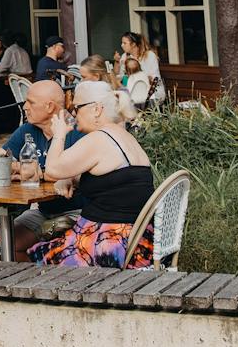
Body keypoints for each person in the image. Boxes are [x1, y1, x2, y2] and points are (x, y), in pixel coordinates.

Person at [33, 81, 154, 268]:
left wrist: (59, 133)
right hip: (139, 241)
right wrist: (71, 178)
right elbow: (113, 181)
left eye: (77, 107)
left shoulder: (99, 138)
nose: (73, 113)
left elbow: (52, 169)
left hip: (108, 244)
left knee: (37, 254)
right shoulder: (124, 137)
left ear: (96, 109)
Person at [3, 80, 83, 260]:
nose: (24, 107)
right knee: (3, 243)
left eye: (30, 102)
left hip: (78, 212)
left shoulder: (78, 130)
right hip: (44, 211)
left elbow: (74, 173)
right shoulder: (27, 130)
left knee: (11, 245)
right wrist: (21, 167)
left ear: (49, 106)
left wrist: (38, 172)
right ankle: (30, 283)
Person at [116, 32, 165, 107]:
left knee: (129, 105)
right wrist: (117, 63)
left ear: (133, 44)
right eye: (122, 43)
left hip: (152, 93)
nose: (122, 45)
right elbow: (122, 78)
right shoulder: (124, 57)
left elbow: (155, 77)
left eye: (124, 43)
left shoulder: (149, 55)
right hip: (132, 93)